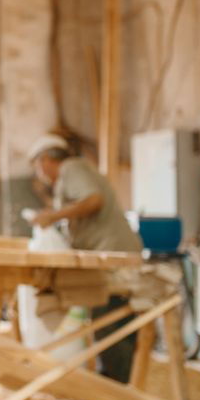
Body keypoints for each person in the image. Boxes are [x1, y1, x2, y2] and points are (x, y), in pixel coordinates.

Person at [29, 133, 143, 383]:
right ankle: (113, 385)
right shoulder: (67, 178)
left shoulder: (72, 168)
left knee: (111, 322)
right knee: (107, 320)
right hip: (108, 256)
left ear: (46, 159)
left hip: (115, 256)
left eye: (37, 165)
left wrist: (54, 216)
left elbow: (94, 200)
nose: (38, 173)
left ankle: (117, 392)